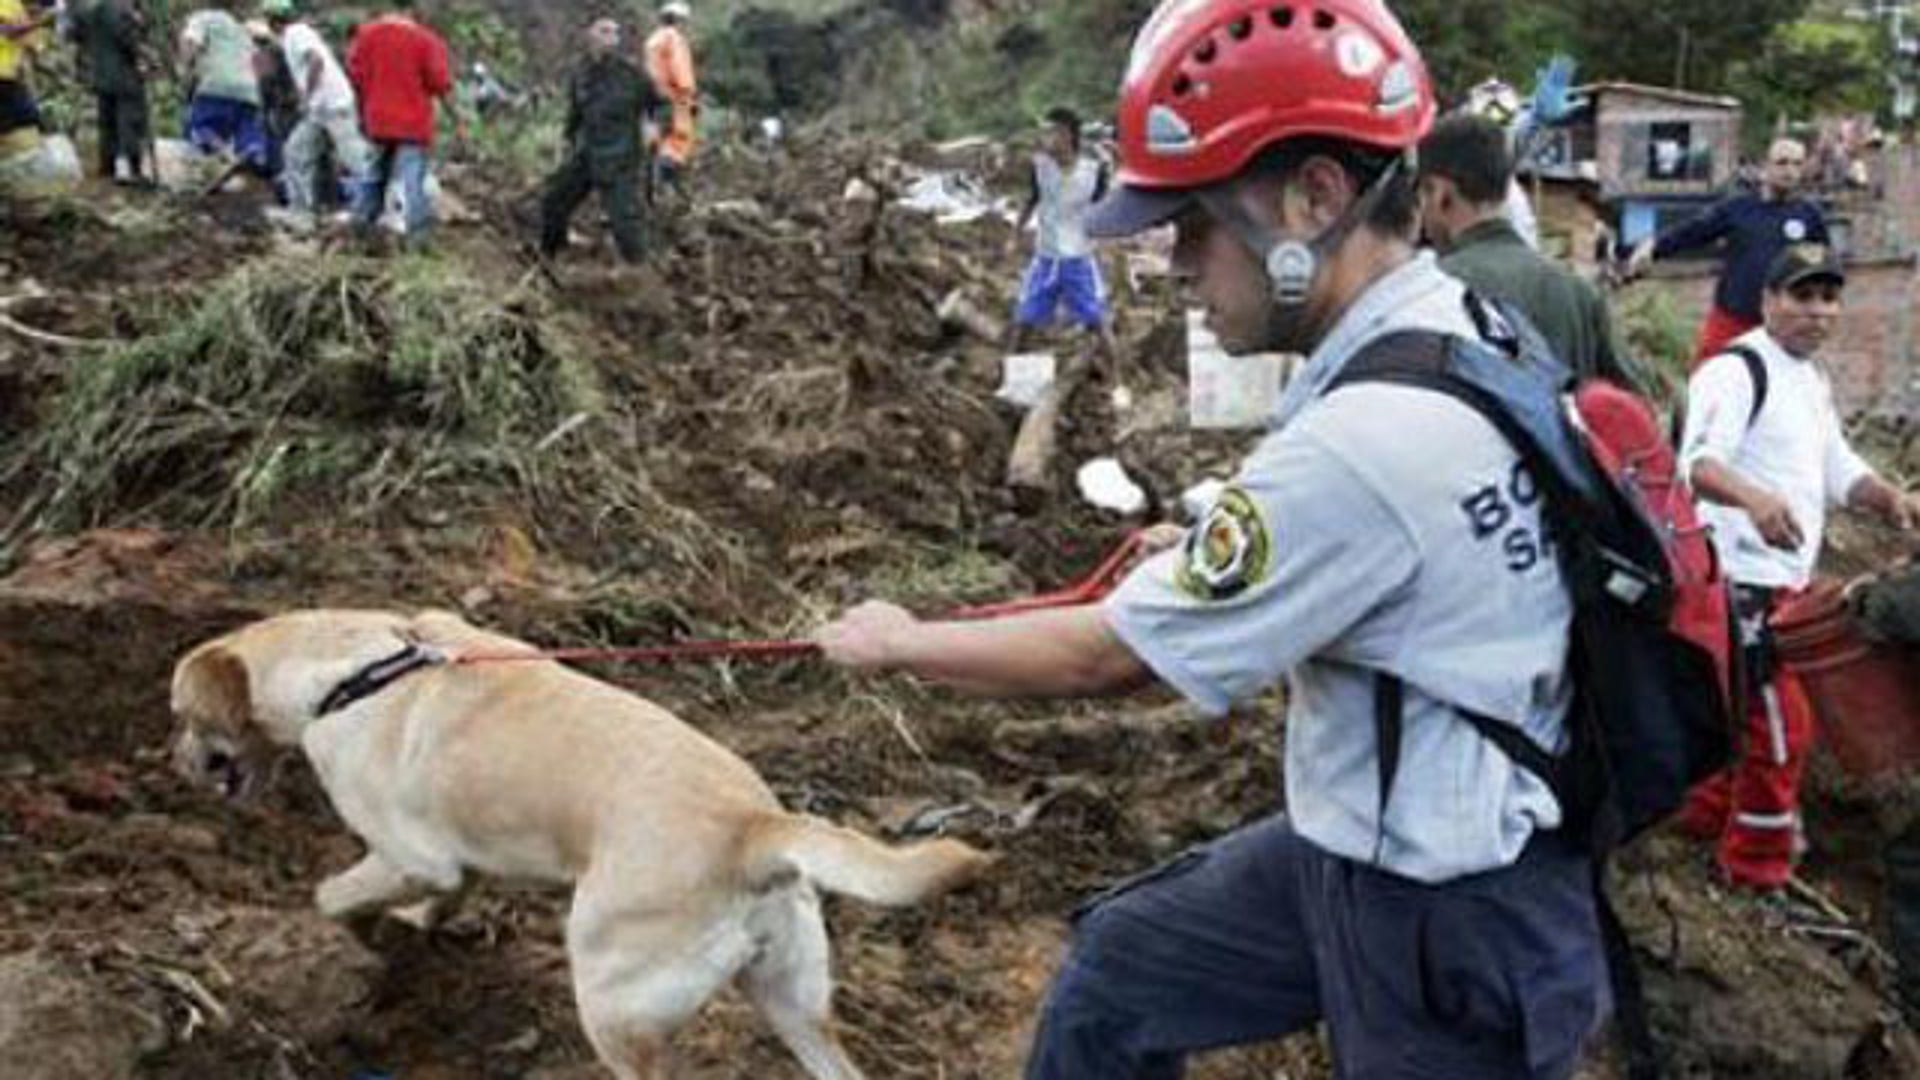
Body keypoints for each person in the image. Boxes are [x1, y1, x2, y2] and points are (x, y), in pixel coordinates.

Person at [816, 0, 1608, 1075]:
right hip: (1376, 838)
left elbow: (1107, 657)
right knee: (1122, 973)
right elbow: (1378, 543)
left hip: (1446, 911)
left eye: (1194, 222)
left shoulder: (1364, 443)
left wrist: (900, 643)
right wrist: (1206, 547)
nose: (1178, 262)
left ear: (1314, 198)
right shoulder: (1458, 330)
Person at [1675, 244, 1920, 891]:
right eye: (1801, 296)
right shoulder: (1734, 372)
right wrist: (1753, 499)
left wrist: (1889, 497)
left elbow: (1837, 467)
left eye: (1828, 298)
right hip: (1736, 578)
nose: (1817, 312)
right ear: (1768, 301)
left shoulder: (1809, 381)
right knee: (1780, 727)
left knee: (1749, 716)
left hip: (1784, 578)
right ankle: (1755, 871)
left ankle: (1699, 825)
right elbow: (1695, 463)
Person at [1418, 113, 1642, 388]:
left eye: (1422, 194)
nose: (1422, 213)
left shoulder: (1429, 292)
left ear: (1441, 194)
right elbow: (1633, 409)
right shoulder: (1578, 294)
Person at [1629, 138, 1828, 362]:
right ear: (1764, 166)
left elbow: (1823, 268)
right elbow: (1694, 231)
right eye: (1782, 163)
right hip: (1732, 319)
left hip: (1782, 326)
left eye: (1797, 164)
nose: (1790, 171)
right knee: (1708, 381)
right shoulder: (1737, 208)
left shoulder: (1810, 216)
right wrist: (1653, 247)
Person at [1004, 106, 1122, 372]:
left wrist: (1107, 241)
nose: (1045, 139)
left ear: (1067, 135)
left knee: (1096, 321)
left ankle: (1118, 382)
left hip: (1078, 258)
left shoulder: (1093, 172)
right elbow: (1031, 200)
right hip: (1045, 257)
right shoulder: (1041, 168)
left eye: (1051, 133)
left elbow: (1104, 207)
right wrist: (1015, 234)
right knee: (1024, 318)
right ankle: (1011, 378)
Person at [539, 17, 661, 264]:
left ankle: (641, 275)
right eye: (604, 31)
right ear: (589, 35)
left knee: (625, 222)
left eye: (615, 33)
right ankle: (550, 257)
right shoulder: (580, 74)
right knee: (554, 201)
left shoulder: (632, 74)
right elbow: (575, 115)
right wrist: (565, 140)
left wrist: (653, 124)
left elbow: (661, 105)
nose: (611, 38)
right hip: (588, 155)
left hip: (621, 158)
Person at [346, 0, 452, 244]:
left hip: (378, 118)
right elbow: (440, 83)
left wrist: (365, 107)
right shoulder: (426, 40)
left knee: (373, 174)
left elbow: (356, 74)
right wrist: (458, 121)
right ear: (413, 10)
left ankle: (361, 224)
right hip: (413, 122)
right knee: (411, 178)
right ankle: (417, 236)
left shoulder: (366, 35)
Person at [263, 0, 370, 224]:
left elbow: (315, 60)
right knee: (295, 152)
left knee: (355, 158)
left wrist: (306, 95)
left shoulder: (296, 33)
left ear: (272, 20)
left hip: (333, 104)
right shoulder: (295, 35)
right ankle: (300, 212)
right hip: (320, 109)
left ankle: (377, 206)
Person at [179, 2, 271, 175]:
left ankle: (211, 142)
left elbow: (190, 43)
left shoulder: (203, 18)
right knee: (249, 131)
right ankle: (253, 151)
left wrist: (186, 69)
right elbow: (263, 61)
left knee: (197, 127)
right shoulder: (245, 28)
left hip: (216, 86)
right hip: (250, 91)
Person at [68, 0, 150, 185]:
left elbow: (76, 33)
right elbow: (126, 39)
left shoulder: (91, 10)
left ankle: (107, 166)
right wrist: (143, 56)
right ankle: (131, 168)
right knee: (129, 119)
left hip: (101, 73)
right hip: (124, 74)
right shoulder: (118, 10)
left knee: (107, 122)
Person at [643, 0, 696, 197]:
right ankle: (667, 189)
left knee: (655, 143)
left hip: (653, 97)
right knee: (677, 140)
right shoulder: (674, 39)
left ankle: (653, 189)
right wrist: (688, 95)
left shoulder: (652, 40)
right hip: (673, 97)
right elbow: (680, 70)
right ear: (679, 20)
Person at [0, 0, 53, 143]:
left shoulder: (13, 4)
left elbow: (28, 40)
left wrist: (36, 47)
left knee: (27, 118)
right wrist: (40, 22)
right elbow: (7, 30)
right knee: (28, 118)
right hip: (5, 78)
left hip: (11, 76)